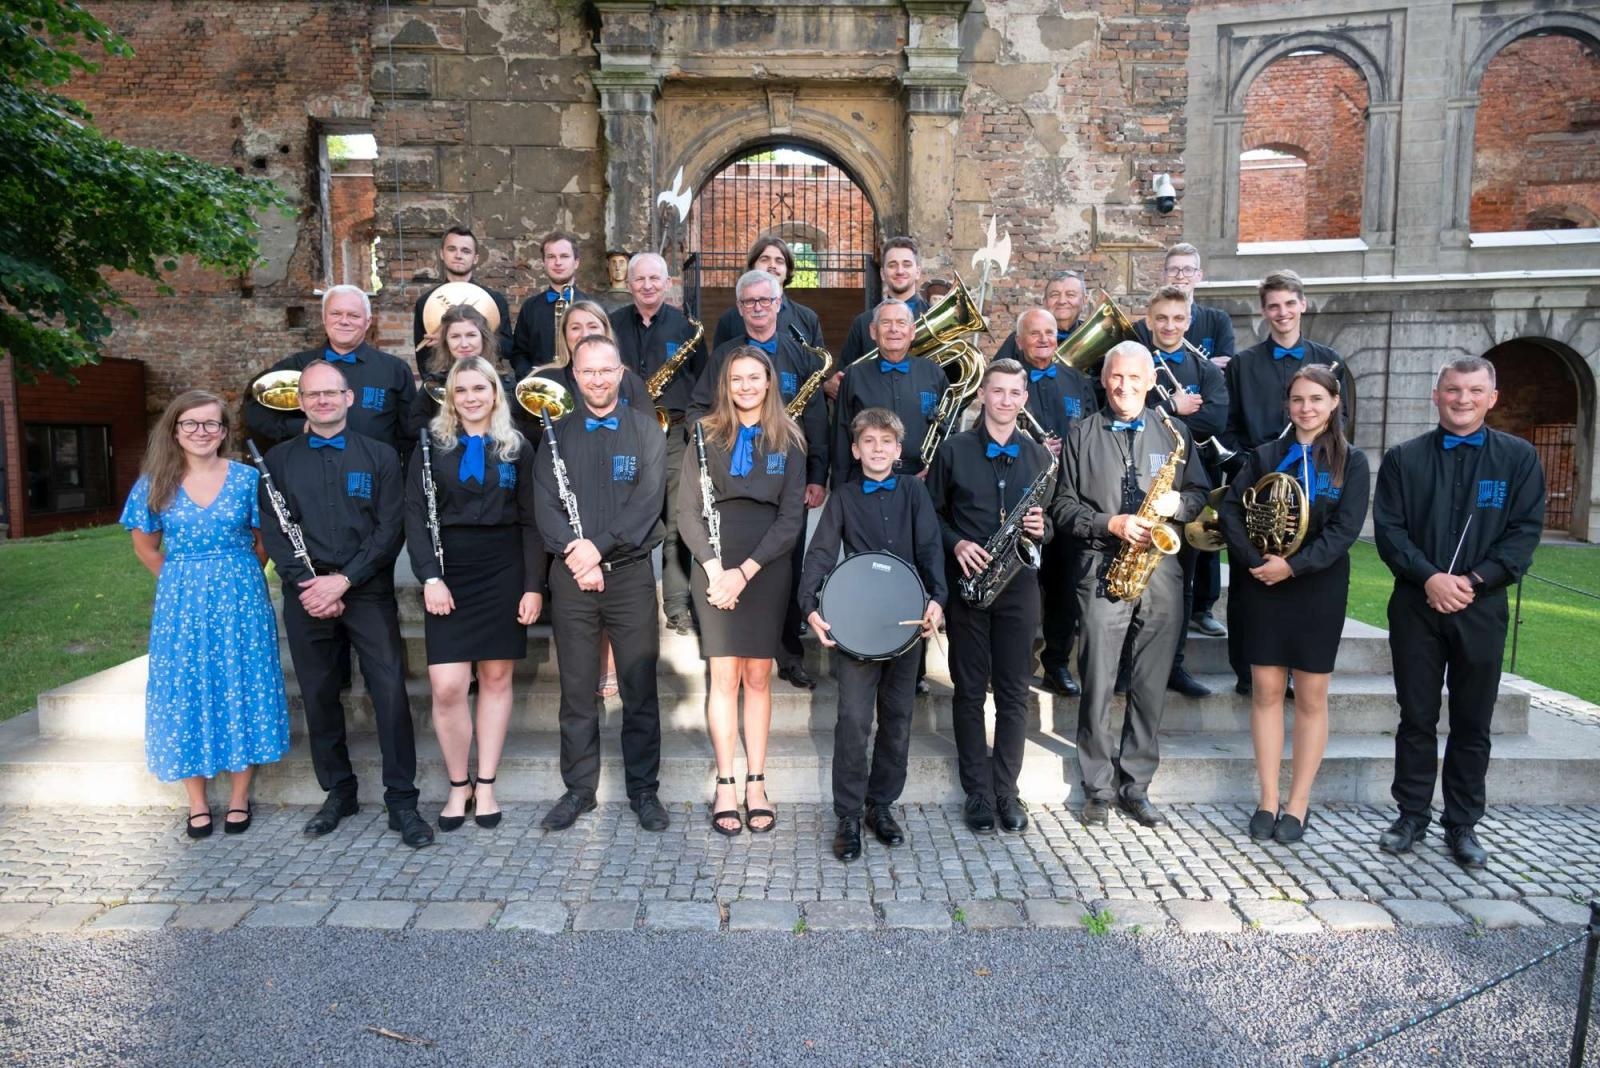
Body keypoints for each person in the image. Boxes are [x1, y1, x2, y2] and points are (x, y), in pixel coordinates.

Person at [1372, 357, 1544, 868]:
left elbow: (1524, 533)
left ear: (1492, 398)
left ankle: (1463, 823)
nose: (1462, 399)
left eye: (1473, 391)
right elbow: (1390, 531)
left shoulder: (1519, 459)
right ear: (1436, 396)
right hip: (1416, 605)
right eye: (1452, 390)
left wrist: (1469, 581)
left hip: (1481, 606)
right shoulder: (1404, 458)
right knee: (1417, 717)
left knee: (1473, 722)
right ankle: (1411, 814)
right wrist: (1431, 578)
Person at [258, 360, 433, 848]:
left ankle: (402, 799)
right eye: (312, 395)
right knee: (317, 693)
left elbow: (389, 528)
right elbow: (275, 530)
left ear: (349, 398)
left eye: (331, 393)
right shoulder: (278, 460)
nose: (322, 401)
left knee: (390, 692)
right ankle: (339, 791)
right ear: (300, 402)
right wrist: (311, 586)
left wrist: (345, 581)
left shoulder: (379, 456)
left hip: (367, 591)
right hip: (306, 595)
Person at [1053, 342, 1209, 828]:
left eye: (1135, 379)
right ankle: (1097, 788)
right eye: (1116, 377)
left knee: (1149, 685)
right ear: (1104, 379)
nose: (1124, 386)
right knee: (1097, 682)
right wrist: (1111, 524)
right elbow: (1062, 508)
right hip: (1102, 568)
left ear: (1149, 382)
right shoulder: (1080, 433)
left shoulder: (1175, 431)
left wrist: (1176, 508)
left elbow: (1200, 495)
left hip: (1160, 572)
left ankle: (1135, 785)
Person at [122, 391, 289, 838]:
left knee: (243, 682)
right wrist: (183, 579)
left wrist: (234, 577)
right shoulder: (154, 482)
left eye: (211, 424)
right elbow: (145, 547)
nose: (201, 432)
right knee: (185, 690)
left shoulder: (245, 479)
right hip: (181, 603)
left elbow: (264, 540)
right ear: (174, 430)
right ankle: (196, 801)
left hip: (241, 597)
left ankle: (238, 796)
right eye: (191, 424)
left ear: (224, 431)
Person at [1217, 365, 1369, 843]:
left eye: (1316, 400)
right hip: (1264, 581)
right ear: (1288, 404)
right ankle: (1267, 797)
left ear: (1334, 403)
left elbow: (1345, 530)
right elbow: (1230, 511)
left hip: (1316, 586)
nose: (1306, 408)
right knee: (1264, 689)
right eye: (1298, 400)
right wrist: (1255, 562)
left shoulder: (1352, 463)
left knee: (1310, 694)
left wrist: (1294, 566)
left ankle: (1298, 803)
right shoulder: (1264, 456)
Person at [532, 334, 670, 833]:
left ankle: (643, 791)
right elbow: (545, 503)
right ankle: (579, 790)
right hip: (571, 578)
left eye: (606, 370)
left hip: (629, 575)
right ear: (574, 376)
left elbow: (648, 503)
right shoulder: (554, 433)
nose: (597, 379)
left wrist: (600, 546)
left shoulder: (646, 431)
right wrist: (578, 554)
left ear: (621, 372)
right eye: (587, 371)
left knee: (638, 688)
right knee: (576, 690)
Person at [404, 357, 546, 831]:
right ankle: (457, 784)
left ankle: (485, 784)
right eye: (460, 389)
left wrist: (532, 586)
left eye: (478, 388)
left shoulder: (518, 448)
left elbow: (530, 521)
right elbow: (417, 519)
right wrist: (429, 577)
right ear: (450, 396)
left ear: (494, 393)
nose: (470, 397)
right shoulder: (429, 447)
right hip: (448, 571)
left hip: (503, 569)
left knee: (496, 679)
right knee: (447, 687)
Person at [800, 408, 946, 860]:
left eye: (886, 442)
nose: (878, 449)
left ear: (898, 451)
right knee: (854, 721)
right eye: (869, 441)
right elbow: (822, 553)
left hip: (904, 623)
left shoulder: (913, 493)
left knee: (898, 720)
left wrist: (938, 600)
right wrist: (810, 607)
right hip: (859, 624)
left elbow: (929, 548)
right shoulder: (843, 497)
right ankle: (847, 814)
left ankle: (880, 806)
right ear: (855, 449)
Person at [678, 347, 807, 835]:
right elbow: (687, 511)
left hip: (766, 566)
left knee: (758, 677)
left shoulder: (791, 438)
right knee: (723, 676)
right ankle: (726, 783)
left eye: (755, 378)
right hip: (713, 563)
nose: (747, 386)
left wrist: (744, 572)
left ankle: (757, 781)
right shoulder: (703, 434)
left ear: (769, 382)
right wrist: (716, 570)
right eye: (737, 379)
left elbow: (792, 518)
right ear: (725, 386)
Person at [928, 358, 1054, 834]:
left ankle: (1007, 790)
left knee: (1014, 694)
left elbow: (1052, 523)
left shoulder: (1038, 455)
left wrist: (1045, 529)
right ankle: (977, 792)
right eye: (997, 391)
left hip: (1019, 586)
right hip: (969, 586)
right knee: (967, 692)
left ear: (1024, 399)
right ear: (982, 395)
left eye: (1014, 393)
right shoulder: (955, 450)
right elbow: (932, 516)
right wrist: (956, 542)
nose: (1005, 400)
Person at [691, 269, 830, 690]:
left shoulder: (802, 354)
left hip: (785, 476)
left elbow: (818, 418)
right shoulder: (726, 356)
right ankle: (725, 643)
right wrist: (718, 443)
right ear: (739, 308)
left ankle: (788, 654)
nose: (757, 309)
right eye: (749, 302)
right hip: (732, 477)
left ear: (779, 303)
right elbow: (699, 409)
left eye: (764, 301)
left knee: (786, 564)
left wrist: (817, 474)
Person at [1221, 269, 1350, 695]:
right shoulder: (1243, 364)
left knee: (1303, 573)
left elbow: (1343, 424)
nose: (1282, 312)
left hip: (1313, 482)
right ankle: (1247, 671)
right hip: (1260, 479)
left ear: (1303, 305)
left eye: (1289, 303)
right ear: (1264, 311)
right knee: (1248, 581)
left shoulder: (1330, 360)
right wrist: (1254, 466)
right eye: (1273, 305)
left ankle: (1295, 667)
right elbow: (1231, 425)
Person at [1138, 244, 1236, 640]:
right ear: (1149, 322)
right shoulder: (1138, 360)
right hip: (1144, 474)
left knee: (1186, 569)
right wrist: (1176, 408)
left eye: (1178, 318)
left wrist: (1164, 414)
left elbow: (1215, 418)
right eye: (1161, 319)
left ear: (1188, 320)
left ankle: (1177, 659)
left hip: (1190, 478)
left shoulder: (1203, 368)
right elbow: (1127, 411)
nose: (1169, 325)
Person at [611, 252, 707, 637]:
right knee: (624, 519)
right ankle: (628, 604)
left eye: (655, 278)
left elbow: (703, 383)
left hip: (673, 433)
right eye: (640, 279)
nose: (648, 285)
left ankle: (678, 606)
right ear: (629, 284)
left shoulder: (687, 327)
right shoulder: (612, 325)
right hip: (623, 433)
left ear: (668, 283)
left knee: (675, 522)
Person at [1012, 307, 1098, 699]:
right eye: (1035, 334)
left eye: (1050, 333)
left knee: (1064, 587)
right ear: (1020, 341)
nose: (1044, 339)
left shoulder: (1076, 380)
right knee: (1021, 584)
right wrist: (1032, 447)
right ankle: (1014, 663)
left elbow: (1096, 433)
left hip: (1066, 496)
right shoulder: (1009, 381)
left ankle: (1057, 664)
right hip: (1023, 498)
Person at [244, 285, 416, 458]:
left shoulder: (394, 370)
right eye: (336, 313)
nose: (344, 321)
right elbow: (255, 411)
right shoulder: (296, 365)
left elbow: (410, 436)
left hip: (376, 476)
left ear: (368, 322)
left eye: (354, 315)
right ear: (324, 318)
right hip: (311, 472)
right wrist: (299, 427)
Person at [829, 299, 946, 486]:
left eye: (901, 323)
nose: (894, 329)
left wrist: (936, 471)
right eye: (886, 323)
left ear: (912, 331)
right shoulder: (854, 376)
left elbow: (948, 430)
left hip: (923, 482)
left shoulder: (935, 374)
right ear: (873, 331)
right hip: (864, 481)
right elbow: (841, 436)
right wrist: (840, 490)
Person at [407, 305, 540, 440]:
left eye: (471, 335)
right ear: (446, 342)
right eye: (455, 336)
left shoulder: (507, 385)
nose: (464, 344)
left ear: (483, 338)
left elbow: (526, 431)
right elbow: (415, 428)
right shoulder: (434, 383)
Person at [828, 237, 929, 398]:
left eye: (907, 264)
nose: (900, 271)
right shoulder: (862, 322)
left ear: (918, 272)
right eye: (892, 265)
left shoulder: (934, 316)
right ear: (882, 273)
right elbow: (845, 379)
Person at [411, 225, 513, 370]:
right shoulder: (426, 302)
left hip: (485, 379)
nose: (458, 255)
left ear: (475, 258)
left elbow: (508, 349)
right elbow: (422, 357)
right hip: (442, 380)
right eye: (452, 249)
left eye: (466, 251)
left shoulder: (495, 300)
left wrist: (459, 337)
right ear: (441, 254)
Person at [710, 235, 826, 351]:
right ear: (752, 267)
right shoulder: (728, 320)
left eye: (779, 261)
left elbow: (817, 364)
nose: (772, 266)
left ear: (788, 271)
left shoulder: (808, 318)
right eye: (764, 259)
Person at [510, 230, 593, 378]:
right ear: (544, 263)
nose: (558, 262)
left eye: (564, 256)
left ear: (576, 262)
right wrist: (529, 376)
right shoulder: (530, 307)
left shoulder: (593, 307)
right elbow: (519, 353)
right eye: (551, 257)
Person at [992, 272, 1090, 363]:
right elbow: (995, 377)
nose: (1062, 301)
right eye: (1054, 295)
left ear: (1084, 300)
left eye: (1070, 295)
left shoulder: (1091, 335)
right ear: (1045, 301)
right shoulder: (1022, 337)